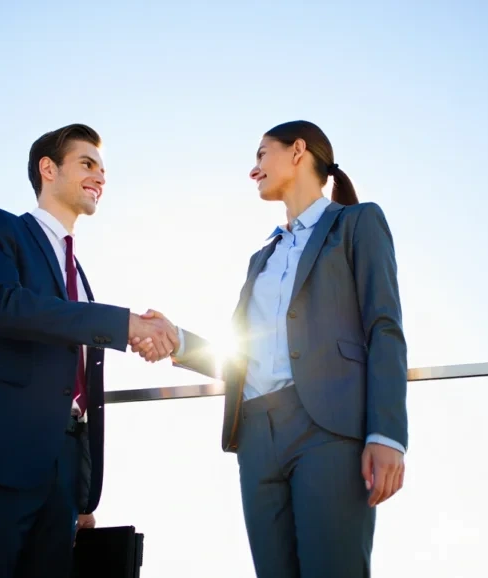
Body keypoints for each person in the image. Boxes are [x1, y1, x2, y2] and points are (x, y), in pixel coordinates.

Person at [135, 120, 408, 577]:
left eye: (262, 154)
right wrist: (176, 338)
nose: (253, 169)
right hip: (256, 434)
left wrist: (387, 433)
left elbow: (385, 327)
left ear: (298, 151)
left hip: (328, 428)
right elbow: (240, 356)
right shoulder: (262, 257)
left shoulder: (357, 223)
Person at [0, 123, 179, 578]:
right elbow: (3, 309)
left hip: (60, 480)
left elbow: (75, 387)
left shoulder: (80, 276)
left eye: (104, 169)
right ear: (48, 168)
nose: (100, 177)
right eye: (87, 163)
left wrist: (78, 490)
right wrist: (124, 324)